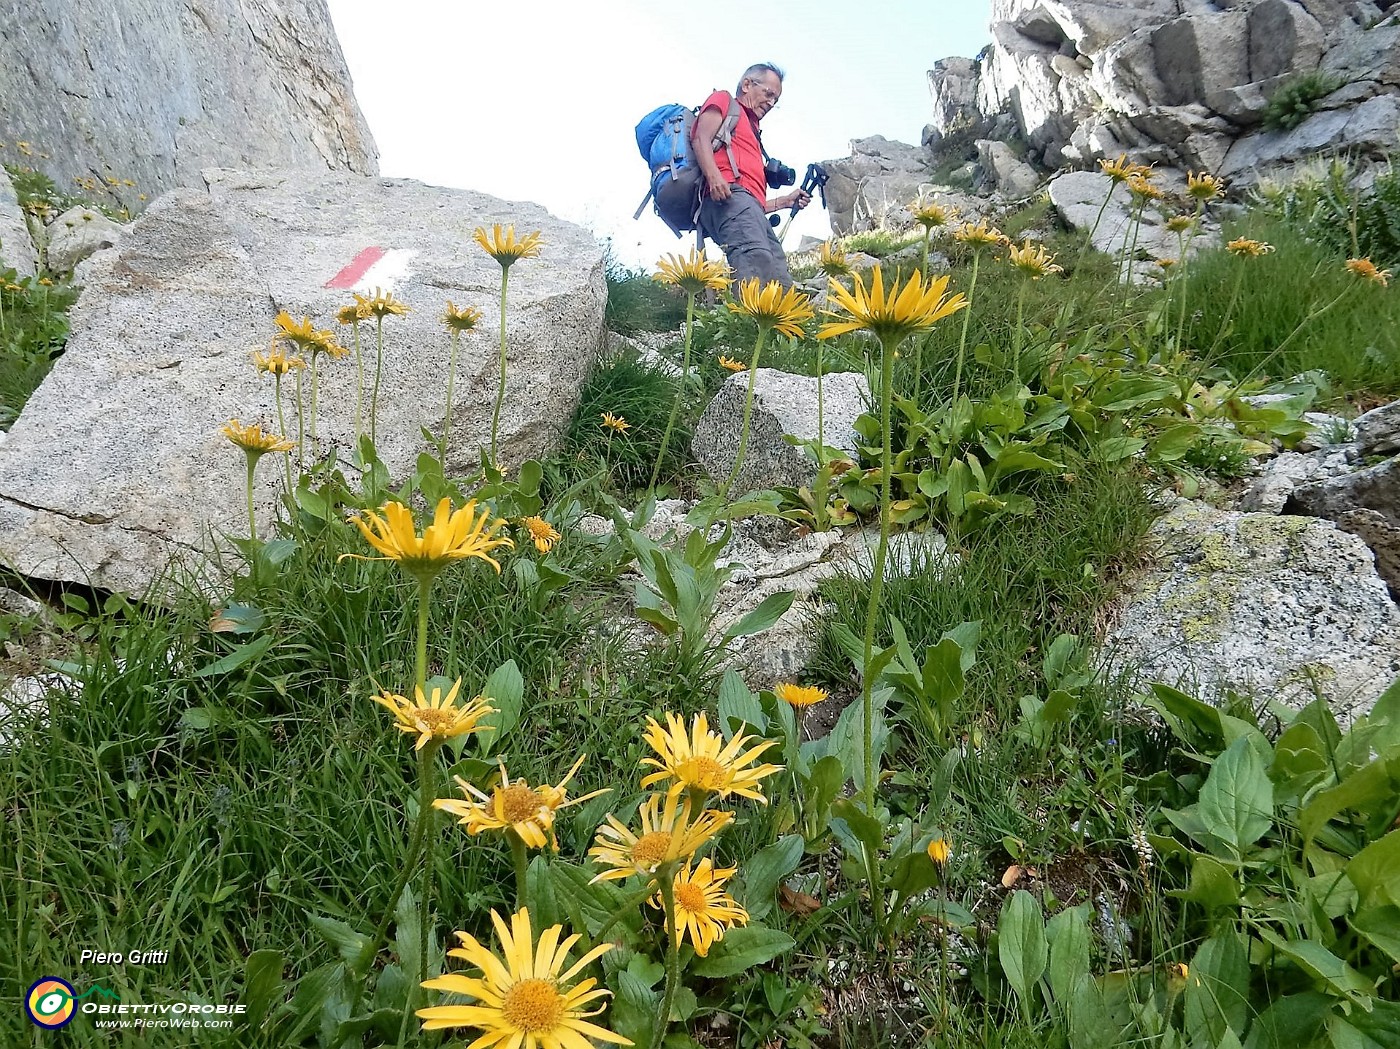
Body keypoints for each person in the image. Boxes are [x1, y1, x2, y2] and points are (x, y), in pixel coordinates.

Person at [693, 62, 810, 288]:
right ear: (747, 84)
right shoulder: (724, 100)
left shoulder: (753, 130)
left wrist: (785, 202)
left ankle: (773, 323)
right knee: (754, 259)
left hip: (746, 206)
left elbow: (750, 205)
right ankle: (746, 322)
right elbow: (700, 137)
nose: (771, 103)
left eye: (776, 100)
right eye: (768, 94)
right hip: (729, 198)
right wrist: (714, 177)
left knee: (779, 277)